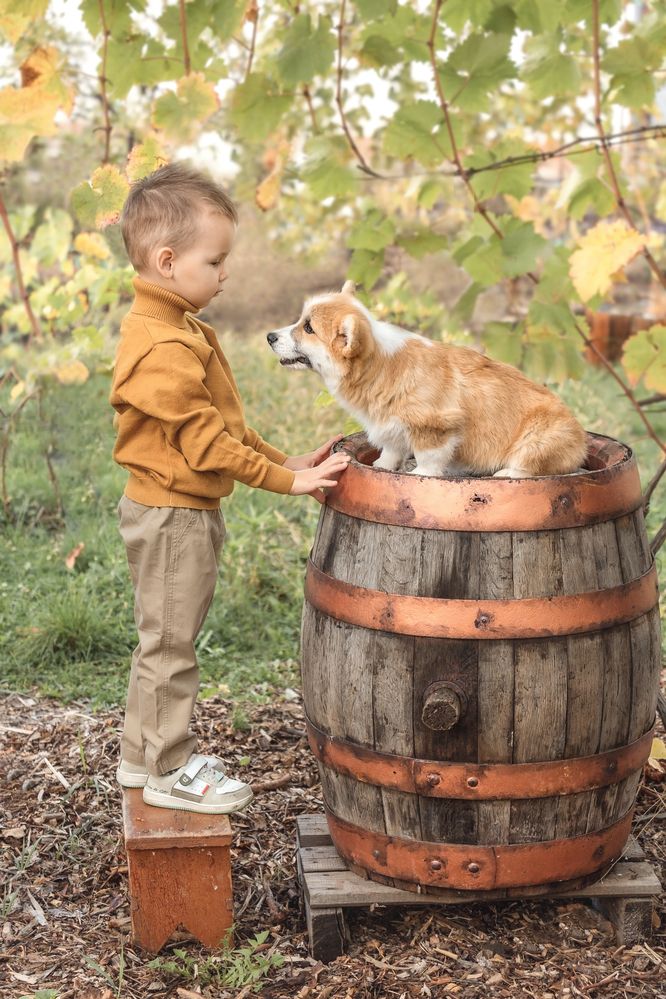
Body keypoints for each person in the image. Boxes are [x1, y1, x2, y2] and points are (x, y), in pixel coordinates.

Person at [109, 163, 350, 814]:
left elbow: (225, 427)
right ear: (166, 261)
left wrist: (286, 458)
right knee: (170, 645)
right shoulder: (161, 342)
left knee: (162, 636)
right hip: (170, 517)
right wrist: (286, 480)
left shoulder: (180, 327)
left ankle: (140, 756)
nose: (225, 274)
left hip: (181, 508)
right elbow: (205, 443)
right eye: (214, 261)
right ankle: (168, 766)